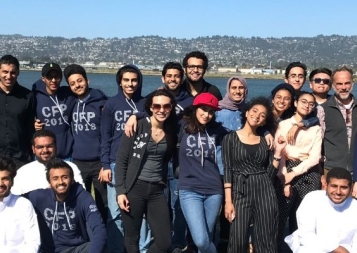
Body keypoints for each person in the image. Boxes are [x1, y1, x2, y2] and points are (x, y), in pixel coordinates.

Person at [115, 89, 177, 253]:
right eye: (157, 106)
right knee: (132, 239)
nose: (161, 110)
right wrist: (120, 191)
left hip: (157, 189)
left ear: (171, 107)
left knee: (164, 242)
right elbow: (122, 160)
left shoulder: (172, 130)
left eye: (166, 106)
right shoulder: (137, 126)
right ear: (150, 107)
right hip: (134, 188)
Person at [222, 97, 286, 253]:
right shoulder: (230, 138)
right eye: (255, 111)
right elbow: (227, 170)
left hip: (264, 190)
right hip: (240, 190)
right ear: (246, 113)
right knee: (237, 239)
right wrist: (228, 201)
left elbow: (270, 174)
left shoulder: (266, 141)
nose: (257, 116)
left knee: (265, 239)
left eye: (262, 115)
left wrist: (277, 153)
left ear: (264, 122)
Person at [100, 64, 149, 253]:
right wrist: (105, 165)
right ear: (120, 82)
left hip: (139, 163)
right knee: (115, 211)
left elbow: (156, 114)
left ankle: (142, 249)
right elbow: (105, 136)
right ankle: (115, 248)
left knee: (141, 211)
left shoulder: (145, 103)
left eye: (134, 80)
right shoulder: (111, 104)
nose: (130, 84)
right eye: (126, 80)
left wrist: (137, 115)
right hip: (114, 162)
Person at [178, 92, 228, 253]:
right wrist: (136, 116)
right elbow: (157, 115)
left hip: (214, 191)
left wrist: (267, 133)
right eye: (204, 109)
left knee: (207, 236)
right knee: (200, 240)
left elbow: (245, 134)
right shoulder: (182, 127)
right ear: (195, 109)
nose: (207, 115)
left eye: (211, 111)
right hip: (189, 189)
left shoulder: (219, 132)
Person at [274, 92, 322, 252]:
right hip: (285, 169)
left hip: (308, 172)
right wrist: (284, 178)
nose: (307, 105)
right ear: (295, 103)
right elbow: (280, 153)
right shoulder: (283, 125)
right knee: (280, 217)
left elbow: (315, 157)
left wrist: (293, 173)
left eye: (311, 103)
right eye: (303, 101)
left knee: (303, 220)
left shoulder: (316, 128)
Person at [27, 158, 107, 253]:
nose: (61, 182)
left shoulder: (83, 197)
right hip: (48, 250)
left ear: (72, 179)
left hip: (76, 249)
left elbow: (99, 229)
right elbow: (13, 200)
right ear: (49, 182)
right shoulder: (38, 197)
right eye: (55, 178)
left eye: (65, 177)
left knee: (101, 245)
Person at [64, 64, 108, 223]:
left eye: (80, 80)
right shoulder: (71, 103)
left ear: (87, 80)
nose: (77, 85)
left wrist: (106, 163)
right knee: (79, 202)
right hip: (78, 161)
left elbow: (107, 134)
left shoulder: (101, 103)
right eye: (72, 83)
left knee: (103, 204)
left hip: (99, 163)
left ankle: (105, 240)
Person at [285, 167, 357, 253]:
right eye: (334, 186)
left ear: (351, 188)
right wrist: (336, 248)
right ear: (326, 185)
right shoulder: (312, 199)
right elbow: (305, 235)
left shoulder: (354, 206)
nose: (338, 192)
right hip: (313, 247)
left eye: (343, 187)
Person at [215, 76, 248, 251]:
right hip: (219, 167)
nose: (237, 91)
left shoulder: (248, 111)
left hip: (241, 169)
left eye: (241, 88)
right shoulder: (217, 111)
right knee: (216, 208)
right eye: (234, 87)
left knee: (235, 209)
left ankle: (229, 242)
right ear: (228, 89)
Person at [317, 66, 357, 191]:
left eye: (347, 83)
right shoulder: (323, 109)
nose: (343, 87)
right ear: (333, 85)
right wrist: (320, 174)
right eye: (339, 84)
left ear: (353, 83)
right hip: (331, 170)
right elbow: (317, 143)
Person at [11, 129, 84, 195]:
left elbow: (81, 193)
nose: (45, 150)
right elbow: (16, 198)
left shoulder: (70, 167)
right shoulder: (23, 172)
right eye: (40, 147)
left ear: (56, 146)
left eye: (49, 146)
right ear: (33, 149)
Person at [33, 62, 76, 160]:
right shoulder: (35, 96)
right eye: (49, 77)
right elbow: (23, 116)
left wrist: (103, 105)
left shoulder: (69, 94)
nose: (53, 80)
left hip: (67, 153)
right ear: (43, 79)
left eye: (57, 77)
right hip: (44, 154)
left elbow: (87, 93)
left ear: (61, 78)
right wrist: (32, 124)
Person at [0, 54, 35, 168]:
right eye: (5, 72)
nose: (9, 76)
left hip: (20, 157)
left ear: (18, 72)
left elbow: (31, 127)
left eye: (13, 72)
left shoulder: (28, 96)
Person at [0, 156, 40, 252]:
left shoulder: (23, 205)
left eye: (5, 179)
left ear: (12, 182)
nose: (0, 183)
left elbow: (33, 242)